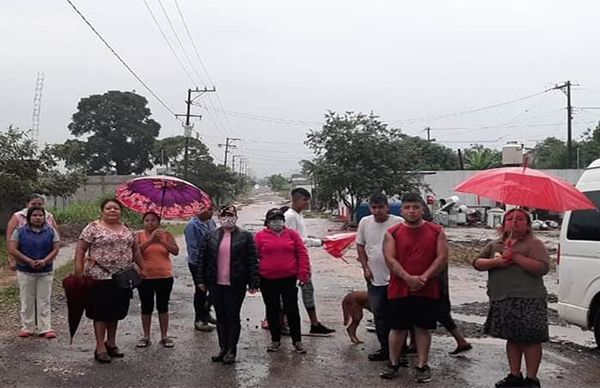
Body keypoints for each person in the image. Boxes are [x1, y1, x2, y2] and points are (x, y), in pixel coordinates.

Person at [473, 208, 549, 388]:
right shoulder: (496, 244)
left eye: (520, 220)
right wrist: (496, 262)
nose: (514, 222)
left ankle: (531, 379)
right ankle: (514, 375)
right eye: (509, 220)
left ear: (528, 225)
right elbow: (477, 263)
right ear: (503, 224)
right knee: (512, 338)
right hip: (502, 298)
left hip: (528, 298)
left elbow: (542, 268)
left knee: (530, 339)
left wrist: (515, 257)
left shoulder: (534, 244)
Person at [380, 193, 448, 384]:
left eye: (416, 207)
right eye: (408, 207)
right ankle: (393, 363)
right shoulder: (392, 232)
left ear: (423, 209)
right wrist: (408, 278)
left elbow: (442, 258)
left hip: (427, 288)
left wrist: (424, 277)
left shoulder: (437, 231)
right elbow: (390, 259)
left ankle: (422, 364)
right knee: (398, 327)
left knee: (423, 327)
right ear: (401, 210)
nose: (412, 211)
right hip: (399, 288)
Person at [74, 199, 144, 364]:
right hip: (99, 276)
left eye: (116, 208)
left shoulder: (128, 229)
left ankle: (111, 343)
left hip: (123, 277)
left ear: (121, 211)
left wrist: (143, 267)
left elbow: (136, 250)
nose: (112, 210)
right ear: (102, 211)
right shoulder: (93, 228)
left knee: (116, 311)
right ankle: (100, 347)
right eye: (108, 208)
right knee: (100, 312)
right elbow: (81, 249)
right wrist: (78, 269)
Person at [197, 205, 259, 364]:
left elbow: (252, 260)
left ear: (236, 217)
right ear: (219, 217)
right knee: (221, 317)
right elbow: (202, 259)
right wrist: (201, 280)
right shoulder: (211, 235)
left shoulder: (245, 236)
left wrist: (254, 281)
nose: (227, 218)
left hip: (236, 283)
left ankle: (232, 350)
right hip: (215, 283)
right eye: (224, 215)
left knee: (233, 317)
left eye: (231, 215)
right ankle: (222, 348)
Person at [256, 208, 311, 354]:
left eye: (279, 219)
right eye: (273, 220)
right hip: (267, 279)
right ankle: (275, 340)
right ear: (267, 222)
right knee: (272, 310)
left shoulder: (292, 235)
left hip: (288, 278)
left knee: (292, 309)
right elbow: (253, 258)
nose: (277, 222)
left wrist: (303, 272)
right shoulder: (260, 236)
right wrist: (254, 278)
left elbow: (302, 253)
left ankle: (297, 341)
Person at [356, 193, 403, 361]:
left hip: (397, 278)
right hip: (375, 278)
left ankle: (400, 351)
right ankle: (384, 348)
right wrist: (365, 267)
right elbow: (360, 246)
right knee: (379, 315)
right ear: (370, 208)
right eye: (374, 207)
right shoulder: (365, 222)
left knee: (398, 315)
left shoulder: (398, 222)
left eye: (380, 207)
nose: (377, 211)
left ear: (387, 207)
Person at [283, 188, 335, 335]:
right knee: (290, 293)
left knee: (307, 290)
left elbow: (299, 236)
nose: (307, 204)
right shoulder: (290, 216)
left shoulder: (298, 215)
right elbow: (293, 240)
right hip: (293, 261)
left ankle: (314, 323)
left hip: (301, 259)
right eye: (305, 200)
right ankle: (284, 323)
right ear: (296, 200)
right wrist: (317, 242)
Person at [8, 206, 60, 339]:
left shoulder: (51, 231)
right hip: (25, 271)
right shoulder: (19, 231)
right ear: (29, 218)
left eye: (40, 215)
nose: (38, 218)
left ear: (44, 217)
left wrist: (45, 260)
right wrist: (28, 261)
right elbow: (13, 249)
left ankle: (45, 328)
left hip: (45, 271)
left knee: (44, 300)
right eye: (35, 215)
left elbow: (55, 249)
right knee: (27, 299)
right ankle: (27, 327)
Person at [136, 212, 179, 348]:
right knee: (146, 307)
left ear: (158, 222)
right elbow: (134, 252)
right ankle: (146, 336)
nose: (150, 223)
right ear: (143, 222)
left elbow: (175, 251)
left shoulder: (166, 235)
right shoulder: (138, 236)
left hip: (164, 276)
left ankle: (164, 336)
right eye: (147, 220)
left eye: (153, 220)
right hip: (145, 276)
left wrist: (162, 241)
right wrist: (150, 240)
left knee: (163, 306)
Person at [184, 206, 217, 331]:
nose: (210, 212)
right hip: (198, 263)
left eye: (211, 209)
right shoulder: (192, 226)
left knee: (214, 289)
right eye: (207, 209)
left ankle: (206, 313)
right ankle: (199, 319)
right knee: (201, 290)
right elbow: (193, 249)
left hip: (212, 262)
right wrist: (203, 263)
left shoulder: (211, 222)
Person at [6, 194, 58, 271]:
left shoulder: (49, 216)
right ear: (27, 204)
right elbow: (9, 238)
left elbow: (56, 236)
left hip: (44, 259)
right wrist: (12, 257)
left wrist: (49, 258)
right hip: (22, 258)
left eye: (39, 204)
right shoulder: (18, 216)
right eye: (33, 204)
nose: (36, 206)